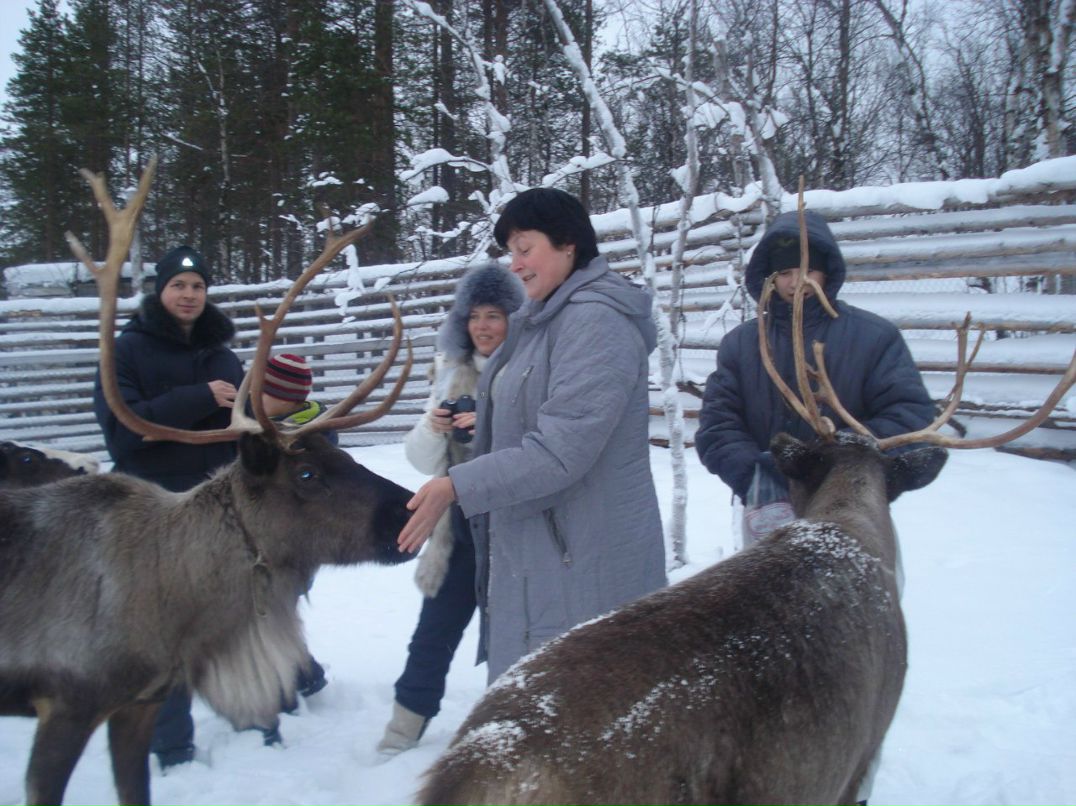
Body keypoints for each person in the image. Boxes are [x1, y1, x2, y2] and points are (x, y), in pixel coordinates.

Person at [398, 187, 667, 685]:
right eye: (509, 252)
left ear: (568, 245)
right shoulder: (537, 323)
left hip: (583, 561)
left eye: (525, 248)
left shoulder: (595, 321)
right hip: (539, 556)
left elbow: (561, 449)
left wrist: (456, 485)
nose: (515, 265)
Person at [695, 210, 936, 549]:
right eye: (786, 272)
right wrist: (756, 475)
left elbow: (910, 417)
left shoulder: (874, 337)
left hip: (850, 506)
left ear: (827, 273)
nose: (797, 282)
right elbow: (718, 424)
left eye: (809, 270)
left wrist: (831, 464)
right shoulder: (742, 344)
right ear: (769, 277)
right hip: (766, 506)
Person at [93, 244, 244, 771]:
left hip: (220, 511)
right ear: (160, 291)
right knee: (163, 634)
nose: (189, 295)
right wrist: (202, 396)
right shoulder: (128, 350)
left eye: (198, 286)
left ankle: (258, 707)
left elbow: (246, 425)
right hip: (152, 513)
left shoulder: (222, 352)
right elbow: (125, 435)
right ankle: (171, 742)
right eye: (179, 286)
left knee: (231, 619)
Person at [377, 262, 523, 755]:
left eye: (494, 315)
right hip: (458, 533)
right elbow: (422, 462)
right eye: (474, 315)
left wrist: (488, 424)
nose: (482, 326)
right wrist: (434, 428)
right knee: (432, 636)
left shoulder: (530, 372)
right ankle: (401, 732)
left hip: (516, 534)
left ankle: (513, 736)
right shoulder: (452, 372)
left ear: (514, 320)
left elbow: (539, 453)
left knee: (515, 641)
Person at [260, 353, 331, 710]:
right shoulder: (274, 424)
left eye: (265, 389)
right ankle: (306, 674)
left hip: (295, 545)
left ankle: (284, 693)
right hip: (274, 542)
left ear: (286, 398)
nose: (256, 395)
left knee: (272, 613)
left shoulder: (308, 437)